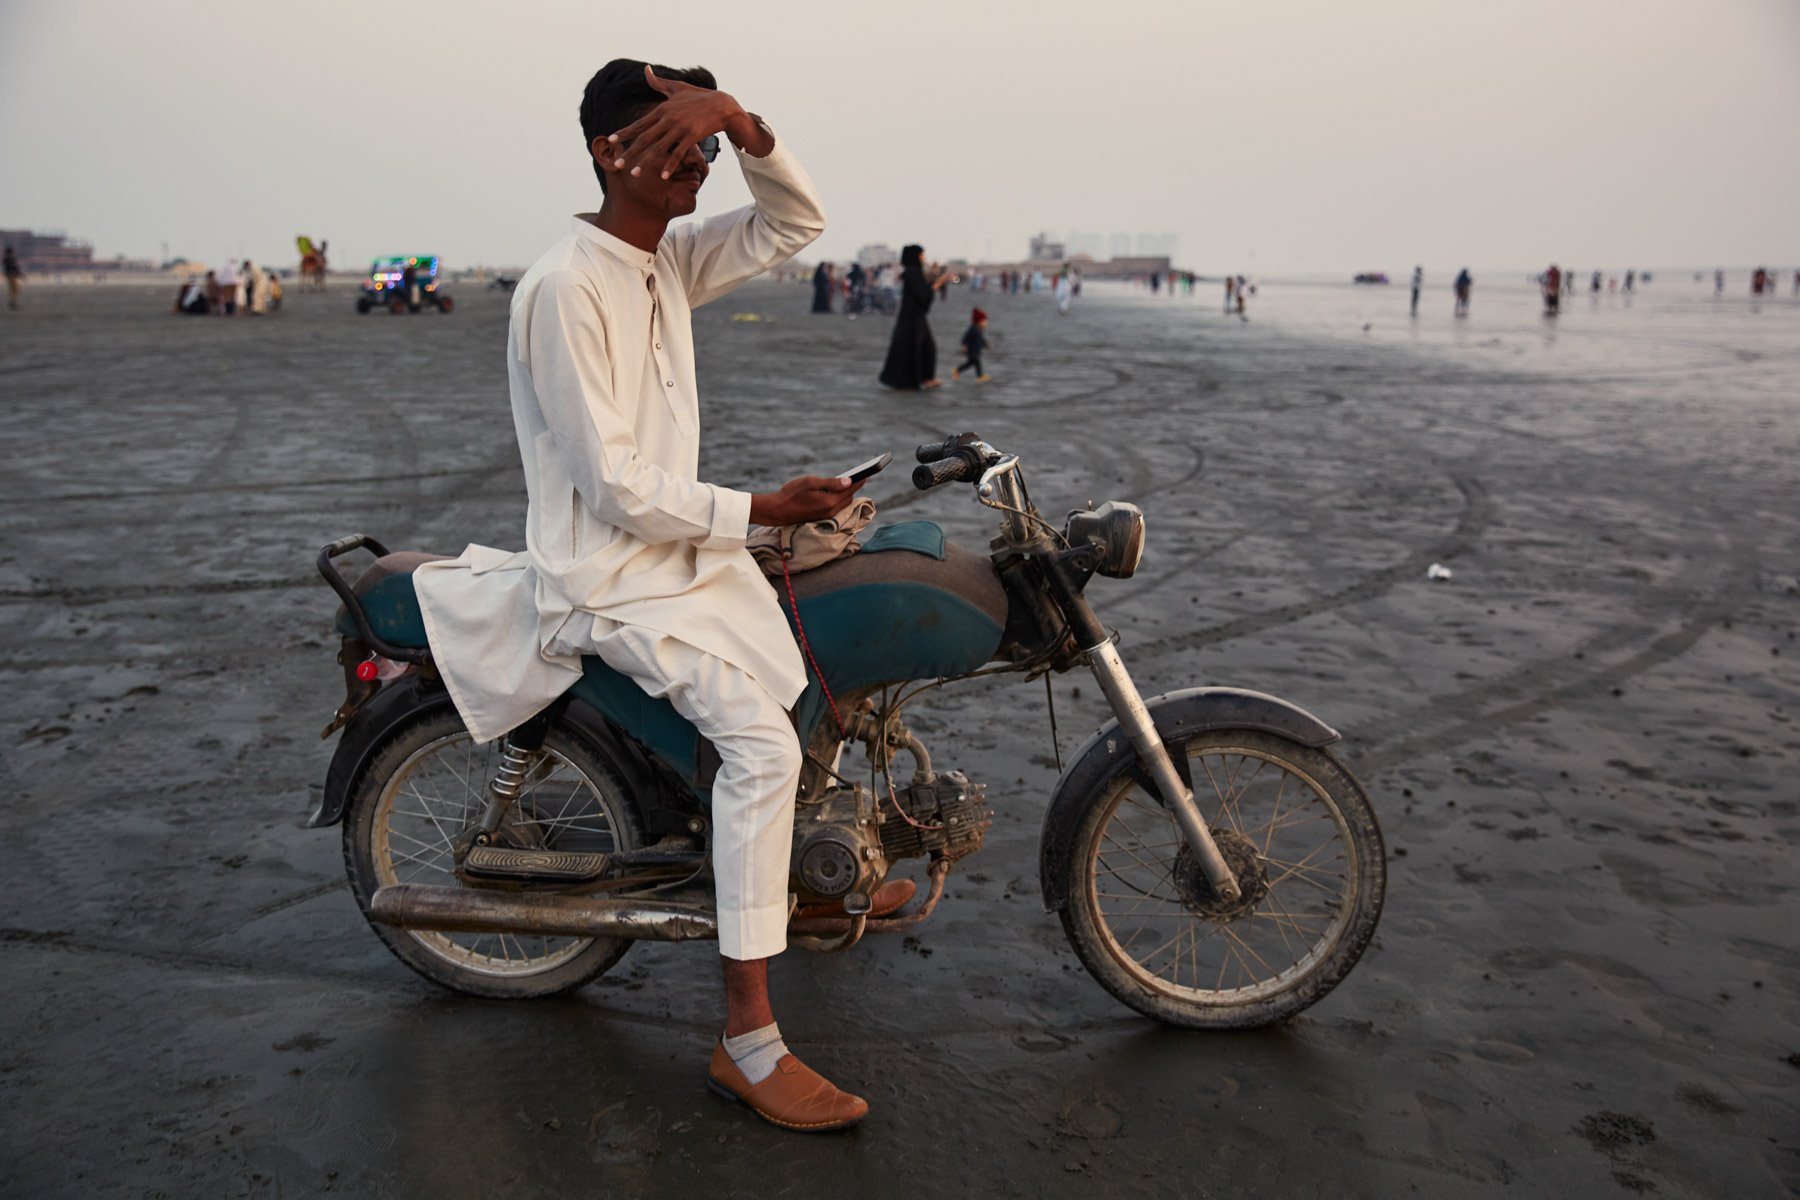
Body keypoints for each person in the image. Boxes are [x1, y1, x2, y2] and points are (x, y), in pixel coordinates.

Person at [408, 58, 876, 1133]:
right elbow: (612, 486)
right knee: (763, 743)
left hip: (674, 562)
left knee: (809, 673)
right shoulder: (566, 287)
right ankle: (747, 1042)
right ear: (608, 153)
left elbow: (796, 220)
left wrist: (747, 124)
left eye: (705, 152)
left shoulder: (662, 262)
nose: (701, 172)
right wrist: (760, 509)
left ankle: (785, 880)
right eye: (682, 150)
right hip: (605, 578)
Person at [878, 244, 950, 389]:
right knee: (913, 349)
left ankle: (927, 378)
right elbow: (921, 295)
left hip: (916, 317)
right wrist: (936, 285)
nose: (924, 258)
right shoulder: (912, 272)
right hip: (911, 319)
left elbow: (922, 290)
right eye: (921, 255)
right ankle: (911, 381)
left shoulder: (914, 272)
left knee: (927, 347)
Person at [952, 307, 990, 382]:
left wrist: (985, 344)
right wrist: (964, 345)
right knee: (976, 362)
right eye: (984, 321)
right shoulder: (972, 329)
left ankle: (957, 371)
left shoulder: (979, 329)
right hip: (971, 350)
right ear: (979, 321)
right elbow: (965, 337)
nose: (986, 323)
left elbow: (981, 339)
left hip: (976, 350)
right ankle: (980, 376)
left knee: (970, 363)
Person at [3, 245, 22, 310]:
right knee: (16, 288)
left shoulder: (5, 259)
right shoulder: (11, 258)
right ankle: (13, 302)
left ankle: (12, 302)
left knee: (12, 289)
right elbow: (14, 267)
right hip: (12, 275)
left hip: (9, 275)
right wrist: (20, 274)